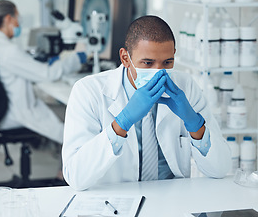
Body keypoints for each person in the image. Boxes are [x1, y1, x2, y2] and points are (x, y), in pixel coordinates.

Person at [62, 15, 231, 191]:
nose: (159, 73)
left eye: (167, 62)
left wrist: (195, 123)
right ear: (125, 58)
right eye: (148, 63)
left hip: (173, 202)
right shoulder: (88, 91)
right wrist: (122, 123)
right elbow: (76, 177)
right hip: (116, 202)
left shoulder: (185, 86)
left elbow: (219, 169)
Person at [0, 0, 85, 143]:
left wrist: (44, 63)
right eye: (18, 18)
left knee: (66, 121)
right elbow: (48, 74)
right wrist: (77, 59)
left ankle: (65, 164)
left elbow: (25, 67)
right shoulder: (8, 50)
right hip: (17, 114)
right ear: (8, 19)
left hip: (4, 113)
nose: (19, 23)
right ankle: (68, 164)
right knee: (72, 127)